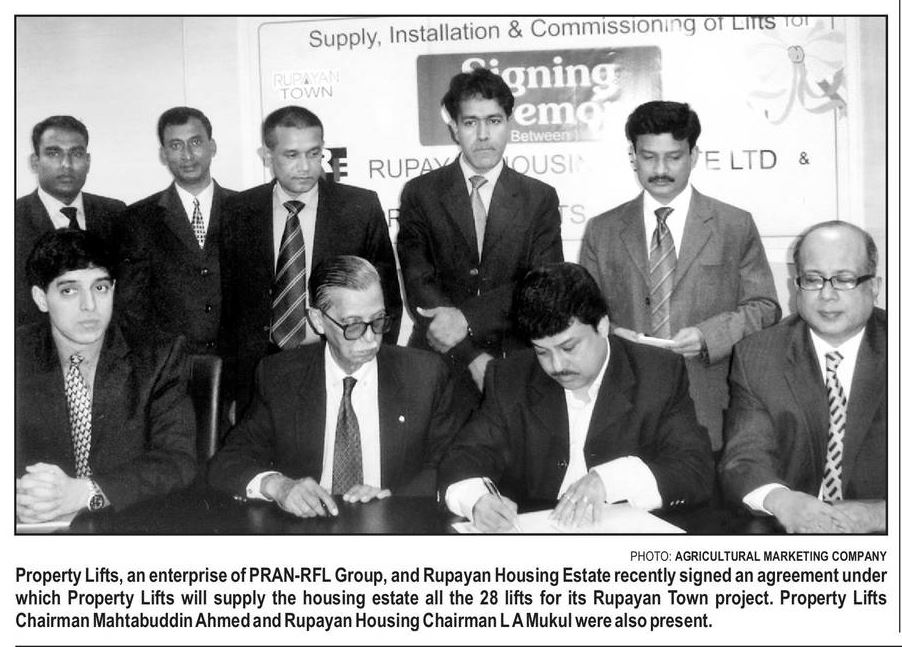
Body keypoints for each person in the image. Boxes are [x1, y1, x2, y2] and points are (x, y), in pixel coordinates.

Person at [440, 262, 713, 532]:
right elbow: (464, 457)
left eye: (569, 347)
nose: (557, 365)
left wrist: (610, 480)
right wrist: (477, 499)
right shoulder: (510, 376)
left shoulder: (658, 373)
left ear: (602, 325)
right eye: (542, 352)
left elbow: (694, 468)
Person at [579, 101, 780, 450]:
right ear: (633, 156)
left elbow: (764, 307)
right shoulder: (602, 230)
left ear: (694, 155)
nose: (660, 169)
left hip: (711, 405)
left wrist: (708, 336)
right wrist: (613, 335)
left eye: (673, 157)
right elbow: (583, 314)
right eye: (648, 157)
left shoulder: (734, 225)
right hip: (625, 406)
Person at [209, 256, 459, 517]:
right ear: (318, 320)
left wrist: (391, 498)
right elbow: (229, 461)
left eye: (378, 320)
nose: (370, 338)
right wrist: (279, 486)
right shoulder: (280, 377)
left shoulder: (425, 375)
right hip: (308, 528)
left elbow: (450, 463)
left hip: (394, 524)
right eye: (353, 325)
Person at [397, 67, 563, 413]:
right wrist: (470, 354)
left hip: (515, 362)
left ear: (509, 123)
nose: (484, 135)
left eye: (494, 121)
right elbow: (419, 284)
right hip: (437, 361)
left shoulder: (539, 198)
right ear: (454, 128)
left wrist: (467, 319)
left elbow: (541, 285)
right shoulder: (421, 193)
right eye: (471, 122)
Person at [220, 106, 401, 414]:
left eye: (314, 153)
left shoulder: (359, 208)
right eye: (291, 155)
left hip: (337, 361)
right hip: (258, 371)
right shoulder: (239, 210)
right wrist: (233, 387)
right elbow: (230, 305)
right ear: (267, 155)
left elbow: (388, 299)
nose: (305, 166)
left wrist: (372, 365)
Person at [16, 229, 196, 524]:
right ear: (41, 298)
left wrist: (87, 493)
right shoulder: (14, 354)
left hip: (130, 524)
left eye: (100, 288)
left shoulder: (158, 356)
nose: (89, 305)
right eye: (69, 291)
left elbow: (178, 461)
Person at [720, 221, 885, 533]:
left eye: (844, 280)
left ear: (874, 287)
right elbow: (743, 459)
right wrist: (783, 501)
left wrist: (881, 515)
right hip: (792, 534)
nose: (826, 295)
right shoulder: (758, 355)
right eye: (812, 279)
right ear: (796, 286)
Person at [116, 107, 236, 354]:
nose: (187, 155)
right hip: (170, 364)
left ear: (212, 146)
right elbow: (131, 304)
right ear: (163, 154)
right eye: (176, 145)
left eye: (195, 142)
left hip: (236, 362)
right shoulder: (138, 218)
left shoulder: (244, 209)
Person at [16, 115, 126, 328]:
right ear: (35, 162)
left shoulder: (115, 214)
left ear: (88, 161)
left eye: (76, 154)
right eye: (53, 153)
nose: (66, 164)